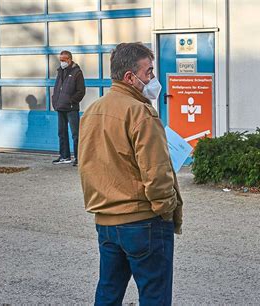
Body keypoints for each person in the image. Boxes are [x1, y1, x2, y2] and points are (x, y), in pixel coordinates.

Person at [78, 42, 182, 306]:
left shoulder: (92, 111)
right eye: (148, 73)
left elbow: (88, 164)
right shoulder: (141, 112)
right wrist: (166, 210)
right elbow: (156, 173)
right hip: (143, 221)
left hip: (106, 223)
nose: (153, 79)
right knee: (154, 296)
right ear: (129, 77)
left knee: (108, 293)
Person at [51, 50, 85, 166]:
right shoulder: (60, 71)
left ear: (69, 60)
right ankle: (64, 156)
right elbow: (57, 88)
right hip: (60, 107)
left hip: (71, 108)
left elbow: (81, 92)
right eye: (60, 60)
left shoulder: (77, 72)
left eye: (63, 60)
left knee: (76, 134)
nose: (61, 62)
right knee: (62, 133)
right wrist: (55, 101)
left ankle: (79, 158)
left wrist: (71, 101)